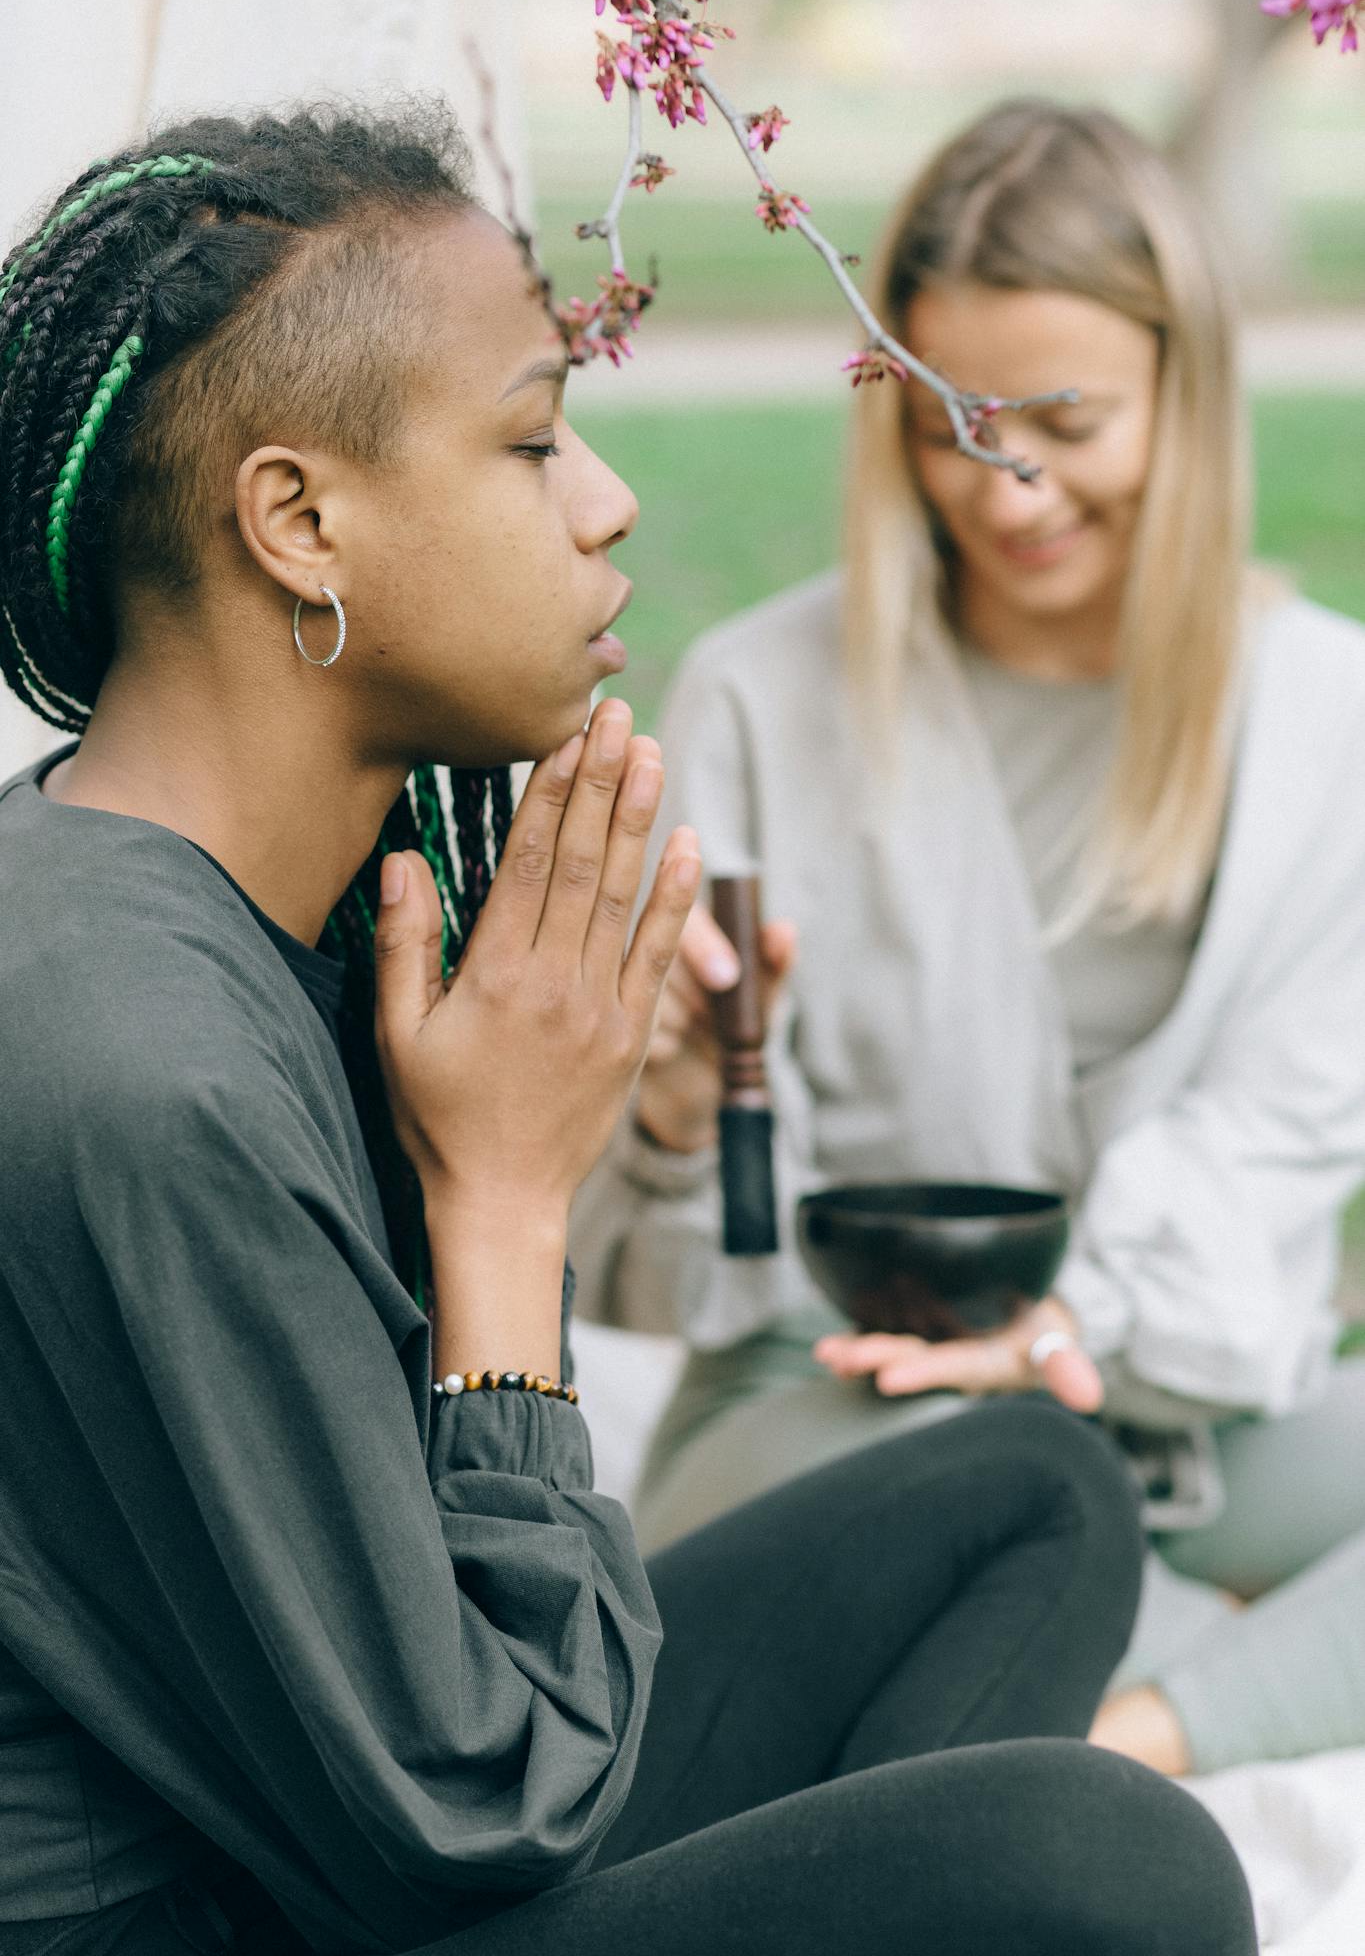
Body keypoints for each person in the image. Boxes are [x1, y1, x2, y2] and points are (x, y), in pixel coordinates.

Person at [0, 107, 1254, 1954]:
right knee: (1108, 1864)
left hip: (344, 1826)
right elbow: (475, 1813)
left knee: (1031, 1494)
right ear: (298, 521)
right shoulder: (137, 1066)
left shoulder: (204, 904)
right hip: (248, 1908)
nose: (607, 499)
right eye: (529, 439)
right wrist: (506, 1202)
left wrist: (565, 1116)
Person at [568, 98, 1365, 1756]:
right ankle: (1153, 1685)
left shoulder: (1326, 723)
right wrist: (658, 1107)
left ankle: (1133, 1730)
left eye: (1065, 420)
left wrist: (1078, 1335)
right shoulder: (764, 698)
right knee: (938, 1550)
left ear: (1189, 401)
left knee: (1036, 1549)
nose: (1005, 487)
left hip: (1168, 1398)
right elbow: (671, 1258)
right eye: (950, 423)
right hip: (829, 1396)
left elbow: (1282, 1138)